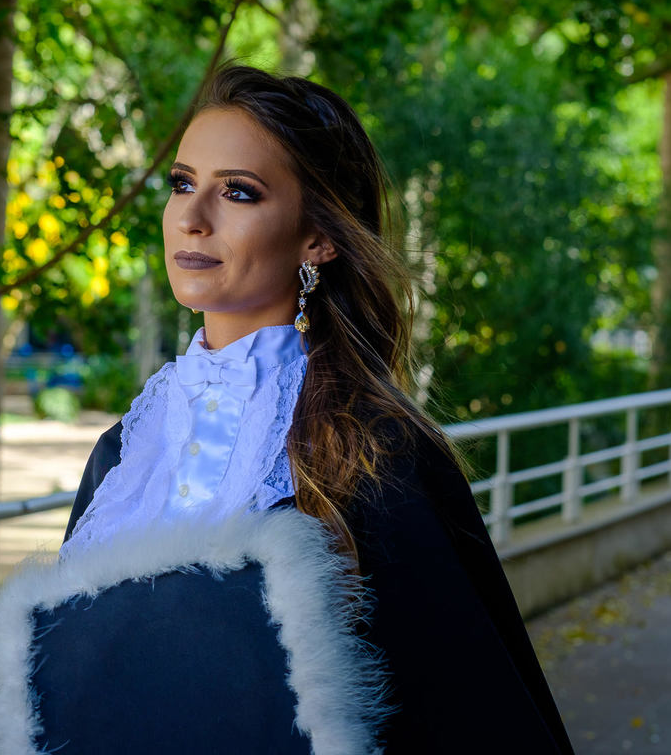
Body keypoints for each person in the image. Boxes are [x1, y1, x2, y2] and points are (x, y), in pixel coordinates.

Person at [59, 65, 575, 753]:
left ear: (317, 239)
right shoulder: (123, 456)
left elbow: (473, 715)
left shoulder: (377, 452)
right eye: (182, 183)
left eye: (237, 192)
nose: (191, 216)